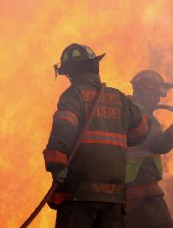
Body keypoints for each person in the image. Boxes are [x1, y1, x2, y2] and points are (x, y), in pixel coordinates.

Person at [43, 43, 150, 228]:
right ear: (95, 67)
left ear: (72, 73)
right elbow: (140, 133)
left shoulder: (73, 96)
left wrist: (56, 166)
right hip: (114, 200)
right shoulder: (121, 99)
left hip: (79, 197)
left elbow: (63, 132)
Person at [125, 70, 173, 228]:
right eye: (155, 94)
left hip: (135, 194)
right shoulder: (138, 115)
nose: (158, 99)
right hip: (142, 194)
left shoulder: (130, 111)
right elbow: (160, 144)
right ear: (144, 92)